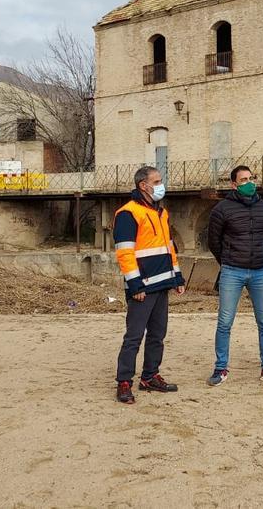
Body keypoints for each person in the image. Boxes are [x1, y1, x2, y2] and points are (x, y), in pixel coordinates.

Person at [113, 165, 186, 404]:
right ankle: (124, 382)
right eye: (156, 182)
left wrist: (177, 278)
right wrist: (135, 286)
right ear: (143, 186)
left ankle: (150, 376)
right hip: (142, 287)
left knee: (157, 335)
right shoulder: (128, 213)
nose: (160, 185)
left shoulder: (160, 213)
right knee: (134, 337)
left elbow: (169, 248)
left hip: (162, 284)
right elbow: (124, 253)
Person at [205, 165, 263, 387]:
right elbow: (213, 241)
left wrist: (256, 256)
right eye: (244, 179)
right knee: (225, 322)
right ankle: (220, 369)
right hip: (232, 271)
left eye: (251, 178)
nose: (249, 182)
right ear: (234, 184)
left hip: (260, 272)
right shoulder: (221, 209)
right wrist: (228, 260)